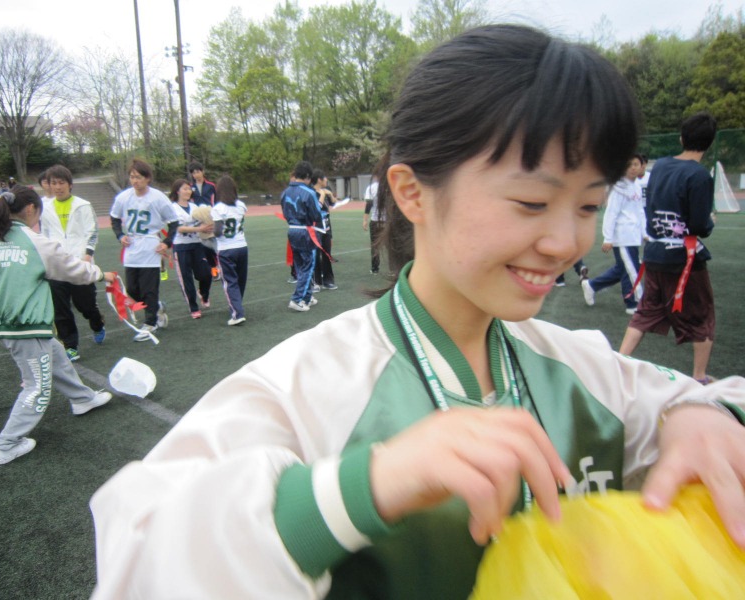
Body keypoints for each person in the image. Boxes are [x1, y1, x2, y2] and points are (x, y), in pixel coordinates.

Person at [89, 26, 745, 599]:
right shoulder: (302, 389)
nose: (565, 242)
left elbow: (705, 399)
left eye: (588, 206)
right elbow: (141, 561)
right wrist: (361, 489)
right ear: (412, 193)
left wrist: (703, 414)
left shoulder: (578, 368)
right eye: (532, 202)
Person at [0, 187, 117, 465]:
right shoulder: (34, 241)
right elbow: (71, 268)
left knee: (54, 352)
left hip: (2, 322)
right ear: (31, 209)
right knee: (37, 386)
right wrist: (100, 274)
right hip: (25, 323)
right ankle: (6, 444)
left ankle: (82, 398)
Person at [619, 113, 719, 384]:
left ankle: (618, 362)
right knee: (702, 314)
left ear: (681, 138)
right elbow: (698, 225)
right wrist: (709, 222)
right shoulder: (699, 176)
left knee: (646, 310)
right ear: (710, 143)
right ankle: (699, 376)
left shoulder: (661, 166)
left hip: (654, 253)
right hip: (683, 259)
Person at [40, 165, 107, 361]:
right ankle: (70, 345)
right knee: (60, 309)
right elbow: (44, 235)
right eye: (54, 183)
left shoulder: (83, 205)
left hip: (79, 264)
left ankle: (97, 323)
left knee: (85, 305)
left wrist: (87, 255)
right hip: (56, 267)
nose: (57, 187)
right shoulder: (45, 208)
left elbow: (92, 232)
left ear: (70, 184)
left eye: (61, 183)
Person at [110, 159, 178, 341]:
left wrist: (167, 243)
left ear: (147, 178)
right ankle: (156, 306)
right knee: (132, 290)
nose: (135, 181)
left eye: (139, 177)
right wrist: (120, 235)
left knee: (149, 288)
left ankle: (150, 323)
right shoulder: (124, 197)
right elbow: (114, 218)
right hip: (132, 246)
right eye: (132, 177)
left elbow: (173, 222)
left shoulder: (158, 198)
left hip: (150, 246)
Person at [581, 155, 646, 314]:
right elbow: (611, 213)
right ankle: (633, 303)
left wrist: (644, 232)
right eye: (629, 164)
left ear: (641, 166)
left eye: (636, 164)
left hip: (633, 236)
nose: (633, 167)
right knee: (631, 269)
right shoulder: (618, 188)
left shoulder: (637, 186)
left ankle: (592, 285)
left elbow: (639, 212)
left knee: (622, 268)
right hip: (622, 236)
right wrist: (608, 238)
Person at [281, 161, 323, 312]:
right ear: (307, 176)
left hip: (292, 230)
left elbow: (285, 212)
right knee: (308, 265)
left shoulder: (285, 192)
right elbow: (316, 214)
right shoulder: (309, 192)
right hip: (305, 231)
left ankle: (307, 296)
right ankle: (297, 299)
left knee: (300, 265)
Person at [168, 179, 212, 319]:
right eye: (185, 189)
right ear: (177, 191)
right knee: (186, 279)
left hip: (197, 245)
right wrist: (199, 228)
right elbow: (179, 228)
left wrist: (209, 225)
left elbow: (203, 222)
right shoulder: (172, 208)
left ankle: (203, 293)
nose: (188, 191)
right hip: (181, 247)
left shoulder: (194, 207)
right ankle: (193, 307)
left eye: (189, 189)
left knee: (206, 274)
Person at [212, 174, 248, 326]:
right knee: (240, 279)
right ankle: (237, 305)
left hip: (226, 248)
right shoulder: (241, 205)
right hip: (242, 246)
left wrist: (209, 230)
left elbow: (218, 232)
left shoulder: (218, 208)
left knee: (229, 281)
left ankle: (237, 313)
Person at [188, 161, 220, 280]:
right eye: (194, 173)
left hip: (211, 217)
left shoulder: (211, 186)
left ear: (202, 172)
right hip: (198, 220)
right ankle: (213, 270)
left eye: (198, 172)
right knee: (204, 247)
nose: (196, 175)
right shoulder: (190, 187)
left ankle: (220, 267)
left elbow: (217, 201)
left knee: (215, 244)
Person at [311, 169, 337, 290]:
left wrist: (330, 194)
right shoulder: (311, 192)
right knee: (316, 255)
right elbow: (316, 208)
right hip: (316, 227)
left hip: (326, 226)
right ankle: (316, 282)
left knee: (327, 253)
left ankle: (328, 280)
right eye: (324, 178)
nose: (326, 180)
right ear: (319, 180)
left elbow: (334, 203)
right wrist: (322, 194)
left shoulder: (326, 190)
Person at [362, 169, 385, 274]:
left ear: (375, 176)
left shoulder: (371, 188)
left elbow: (369, 205)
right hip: (387, 221)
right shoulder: (389, 187)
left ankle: (375, 268)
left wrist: (365, 220)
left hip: (375, 220)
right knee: (391, 245)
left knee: (375, 245)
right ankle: (394, 269)